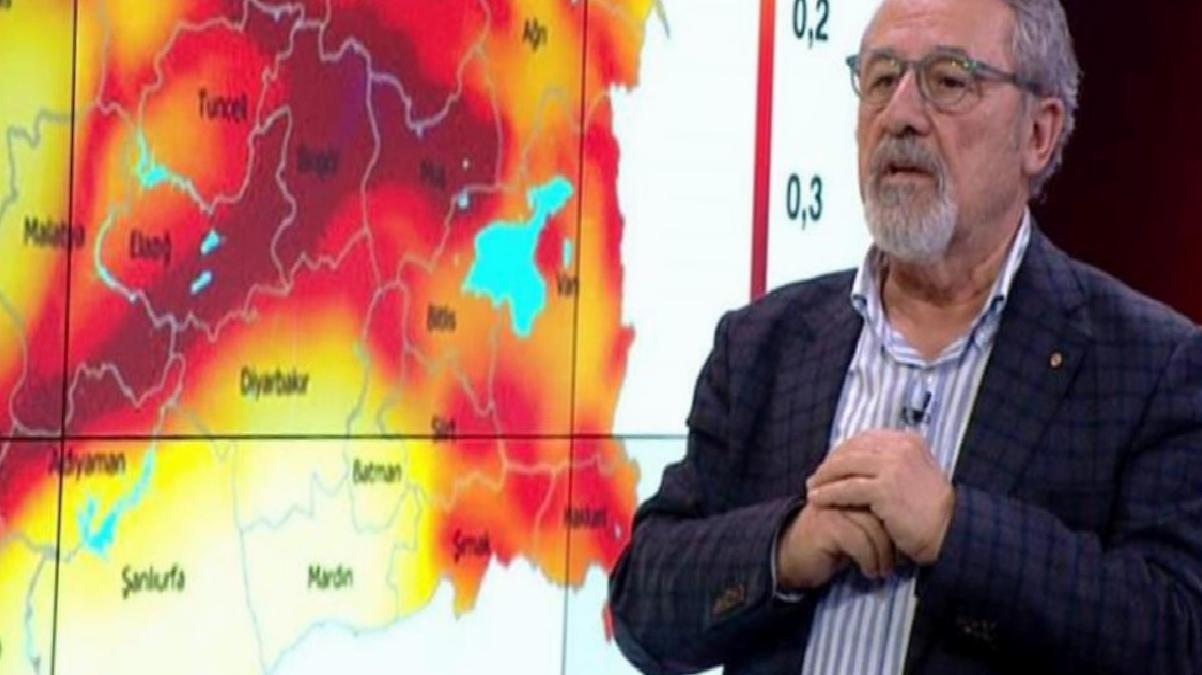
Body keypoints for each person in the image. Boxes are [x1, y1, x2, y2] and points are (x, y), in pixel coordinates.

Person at [607, 0, 1202, 672]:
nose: (901, 114)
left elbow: (1177, 637)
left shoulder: (1151, 367)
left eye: (948, 80)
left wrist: (953, 529)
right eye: (882, 78)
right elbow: (642, 607)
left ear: (1039, 133)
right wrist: (785, 548)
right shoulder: (761, 346)